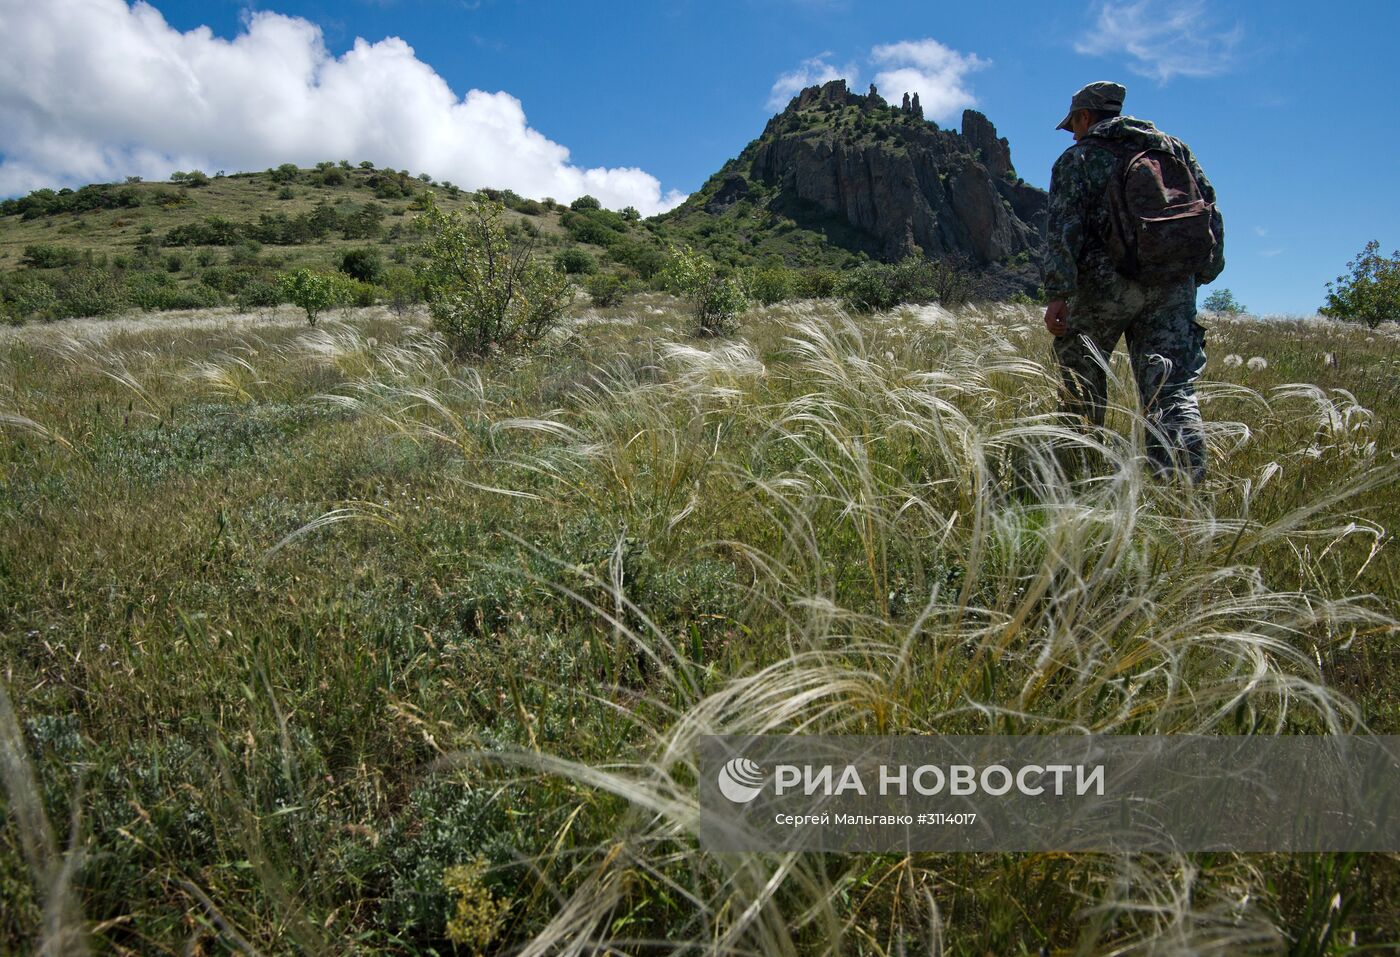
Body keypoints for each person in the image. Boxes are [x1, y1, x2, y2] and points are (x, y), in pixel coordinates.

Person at [1042, 81, 1224, 483]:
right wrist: (1203, 273)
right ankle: (1183, 492)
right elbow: (1209, 211)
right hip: (1173, 285)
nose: (1073, 132)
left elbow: (1063, 231)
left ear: (1085, 116)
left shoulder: (1079, 158)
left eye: (1073, 123)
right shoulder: (1174, 151)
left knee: (1082, 387)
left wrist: (1058, 293)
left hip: (1104, 288)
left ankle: (1081, 480)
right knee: (1171, 392)